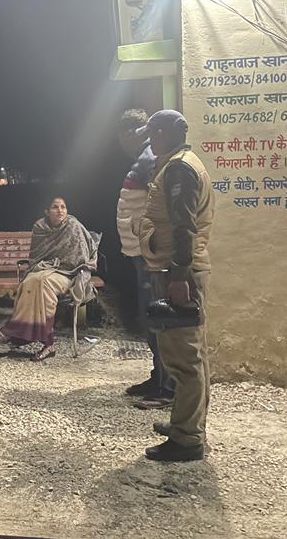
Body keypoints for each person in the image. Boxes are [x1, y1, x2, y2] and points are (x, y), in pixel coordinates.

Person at [135, 110, 215, 462]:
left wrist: (179, 277)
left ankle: (188, 439)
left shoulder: (180, 169)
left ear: (166, 133)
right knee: (188, 354)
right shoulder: (177, 164)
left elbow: (184, 227)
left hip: (177, 273)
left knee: (184, 359)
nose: (150, 139)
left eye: (154, 132)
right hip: (175, 269)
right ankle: (186, 423)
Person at [116, 109, 175, 409]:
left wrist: (150, 237)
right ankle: (158, 377)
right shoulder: (146, 155)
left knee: (157, 317)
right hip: (142, 251)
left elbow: (161, 200)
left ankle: (168, 387)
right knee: (151, 316)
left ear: (130, 133)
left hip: (149, 253)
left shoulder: (148, 157)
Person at [0, 198, 99, 361]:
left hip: (68, 273)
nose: (60, 210)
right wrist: (48, 265)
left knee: (43, 283)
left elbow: (81, 257)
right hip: (45, 268)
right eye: (55, 207)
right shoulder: (40, 227)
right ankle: (23, 333)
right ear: (47, 211)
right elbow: (36, 255)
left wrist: (59, 264)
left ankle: (43, 341)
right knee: (29, 282)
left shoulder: (73, 226)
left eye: (63, 207)